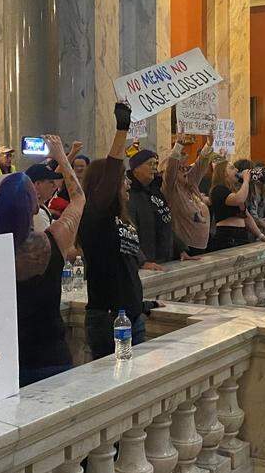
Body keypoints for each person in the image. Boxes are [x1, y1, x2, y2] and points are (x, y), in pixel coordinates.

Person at [0, 134, 84, 386]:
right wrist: (62, 157)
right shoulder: (52, 240)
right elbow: (78, 198)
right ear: (34, 208)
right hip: (51, 354)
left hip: (4, 360)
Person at [79, 103, 166, 360]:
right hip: (108, 320)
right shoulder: (95, 216)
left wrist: (141, 305)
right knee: (113, 385)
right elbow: (113, 169)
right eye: (121, 181)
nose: (126, 183)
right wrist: (122, 130)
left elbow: (125, 269)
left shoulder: (121, 219)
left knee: (131, 383)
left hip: (130, 315)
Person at [208, 159, 265, 251]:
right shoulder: (218, 190)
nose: (236, 170)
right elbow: (239, 199)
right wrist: (246, 181)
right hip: (227, 236)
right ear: (223, 173)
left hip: (241, 235)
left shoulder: (232, 192)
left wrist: (261, 236)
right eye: (232, 168)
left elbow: (246, 216)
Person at [127, 148, 179, 264]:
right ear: (136, 169)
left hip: (164, 259)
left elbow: (165, 222)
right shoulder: (129, 196)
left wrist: (181, 249)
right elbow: (128, 233)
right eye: (150, 164)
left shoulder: (156, 191)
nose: (154, 168)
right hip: (145, 262)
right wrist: (142, 261)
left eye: (155, 164)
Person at [163, 134, 212, 257]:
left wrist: (209, 144)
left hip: (202, 246)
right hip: (185, 248)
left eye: (186, 167)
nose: (185, 169)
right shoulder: (171, 188)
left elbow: (201, 164)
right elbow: (171, 167)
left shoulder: (191, 183)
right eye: (181, 168)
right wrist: (178, 145)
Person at [25, 160, 63, 232]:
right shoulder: (38, 213)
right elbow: (48, 241)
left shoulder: (35, 206)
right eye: (51, 182)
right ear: (37, 184)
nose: (54, 186)